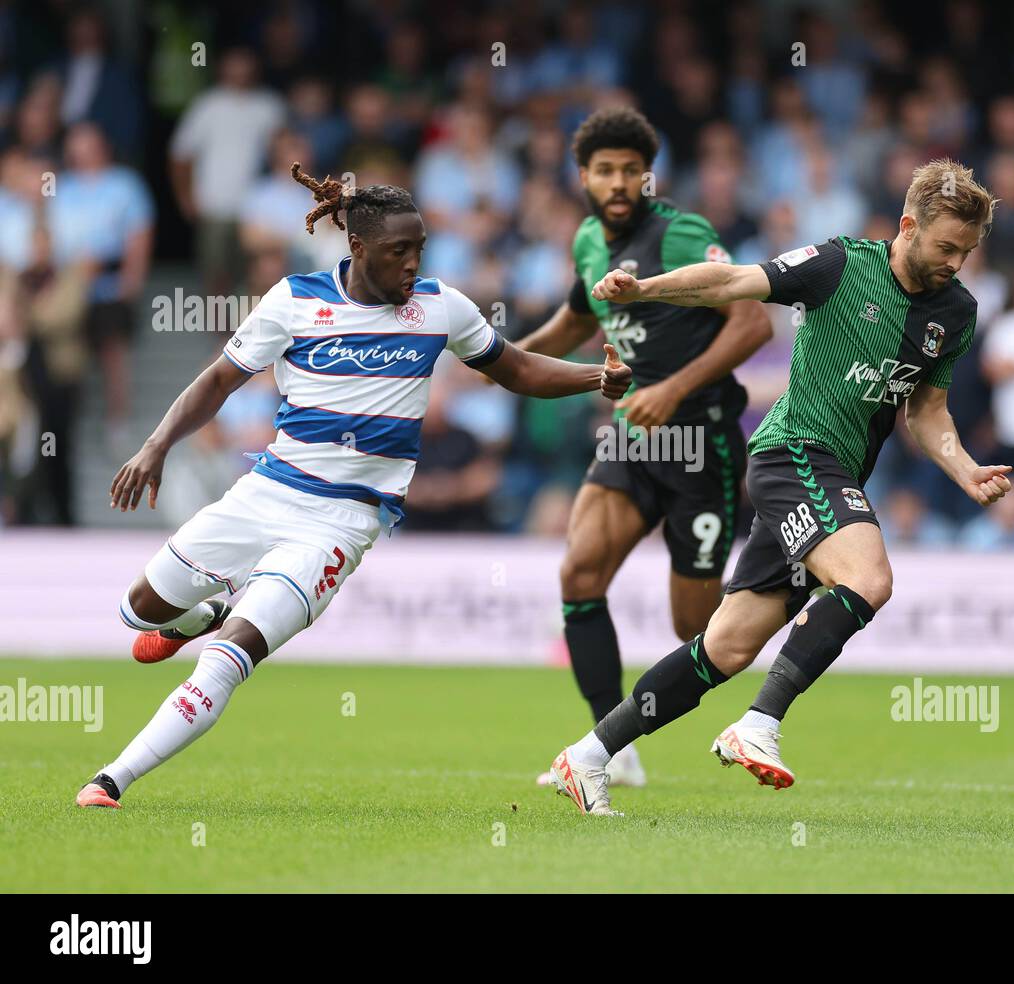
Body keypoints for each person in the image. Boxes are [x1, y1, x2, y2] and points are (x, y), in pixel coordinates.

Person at [75, 165, 631, 809]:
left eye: (420, 248)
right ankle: (202, 614)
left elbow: (518, 368)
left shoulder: (440, 307)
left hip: (340, 523)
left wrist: (596, 377)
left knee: (228, 659)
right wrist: (155, 445)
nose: (413, 264)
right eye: (400, 251)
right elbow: (218, 382)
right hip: (265, 493)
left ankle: (112, 777)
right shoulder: (293, 299)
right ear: (358, 248)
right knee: (139, 612)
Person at [549, 159, 1011, 815]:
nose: (957, 263)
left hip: (831, 476)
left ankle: (588, 756)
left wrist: (963, 467)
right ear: (909, 226)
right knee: (869, 579)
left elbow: (927, 410)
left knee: (727, 645)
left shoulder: (955, 313)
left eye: (967, 251)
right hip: (791, 453)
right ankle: (759, 724)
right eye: (946, 247)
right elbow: (734, 280)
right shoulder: (839, 265)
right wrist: (644, 287)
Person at [513, 107, 770, 788]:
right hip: (632, 436)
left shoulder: (681, 232)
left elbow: (752, 325)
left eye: (632, 169)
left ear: (649, 175)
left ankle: (781, 611)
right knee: (580, 575)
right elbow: (572, 323)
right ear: (584, 177)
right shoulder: (588, 242)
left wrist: (672, 389)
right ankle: (611, 748)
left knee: (700, 630)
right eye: (606, 170)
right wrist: (489, 357)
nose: (620, 181)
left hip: (701, 444)